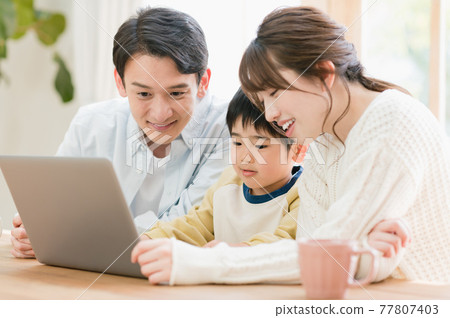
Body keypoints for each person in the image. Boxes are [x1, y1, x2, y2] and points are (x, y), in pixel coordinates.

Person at [130, 6, 450, 285]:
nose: (270, 113)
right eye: (262, 100)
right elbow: (316, 248)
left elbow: (321, 252)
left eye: (275, 93)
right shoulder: (324, 140)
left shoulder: (391, 122)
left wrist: (201, 262)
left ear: (324, 74)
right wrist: (361, 255)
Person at [10, 7, 229, 258]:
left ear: (203, 83)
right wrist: (35, 232)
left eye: (177, 93)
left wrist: (75, 236)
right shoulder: (91, 124)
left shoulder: (229, 129)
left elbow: (191, 226)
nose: (160, 114)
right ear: (120, 82)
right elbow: (54, 208)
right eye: (144, 94)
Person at [141, 88, 302, 248]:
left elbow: (285, 243)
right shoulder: (228, 181)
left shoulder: (303, 195)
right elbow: (195, 226)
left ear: (297, 150)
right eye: (237, 143)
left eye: (260, 146)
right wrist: (152, 238)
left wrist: (231, 253)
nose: (244, 157)